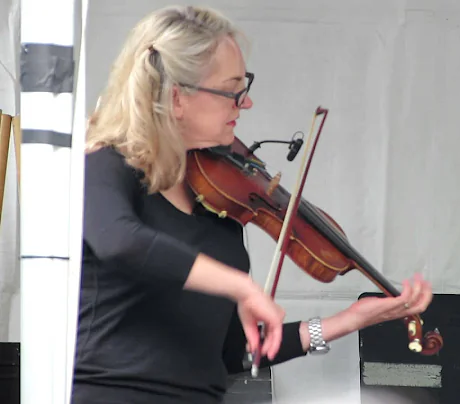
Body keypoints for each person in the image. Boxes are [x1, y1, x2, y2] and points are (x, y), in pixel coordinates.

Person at [72, 5, 434, 404]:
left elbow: (231, 352)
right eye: (232, 90)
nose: (245, 104)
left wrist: (346, 322)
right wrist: (240, 286)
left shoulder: (219, 209)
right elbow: (121, 241)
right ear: (176, 98)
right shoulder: (106, 165)